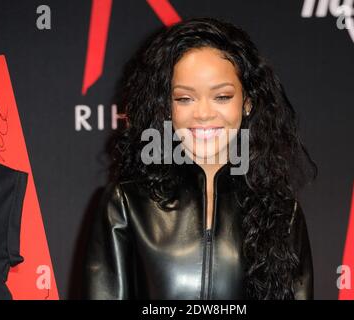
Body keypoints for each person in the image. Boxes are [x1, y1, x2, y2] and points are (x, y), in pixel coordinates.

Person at [82, 17, 317, 300]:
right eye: (185, 99)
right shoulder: (126, 203)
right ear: (166, 107)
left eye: (221, 96)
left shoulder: (282, 212)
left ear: (247, 103)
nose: (203, 114)